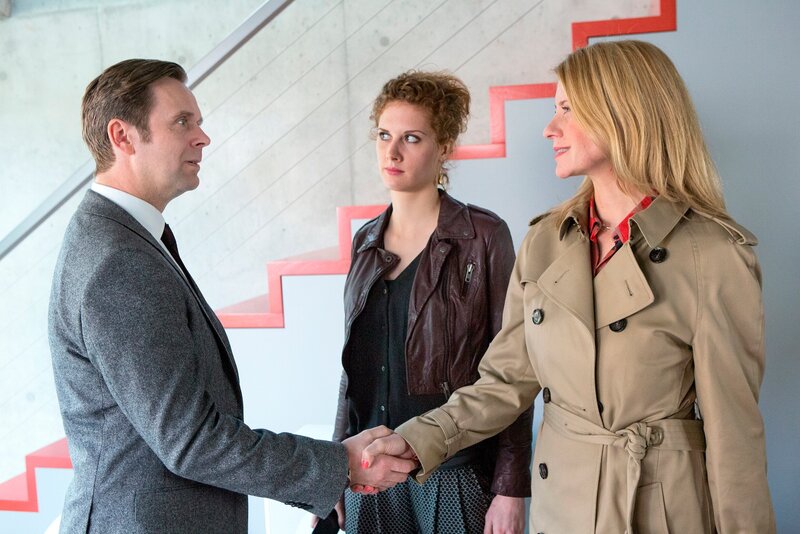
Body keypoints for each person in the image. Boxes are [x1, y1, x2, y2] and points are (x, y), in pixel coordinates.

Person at [363, 40, 775, 533]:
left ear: (622, 114)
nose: (549, 128)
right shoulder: (547, 241)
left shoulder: (713, 255)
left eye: (566, 109)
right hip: (562, 507)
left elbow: (735, 440)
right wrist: (417, 440)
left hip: (656, 511)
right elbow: (506, 382)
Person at [48, 59, 416, 533]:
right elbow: (191, 440)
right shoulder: (118, 260)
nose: (202, 137)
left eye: (198, 122)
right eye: (182, 122)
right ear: (123, 136)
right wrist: (338, 465)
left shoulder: (123, 239)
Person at [319, 71, 533, 533]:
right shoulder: (366, 242)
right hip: (370, 472)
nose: (392, 152)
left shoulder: (482, 236)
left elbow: (515, 365)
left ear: (444, 146)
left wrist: (511, 487)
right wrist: (333, 468)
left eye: (411, 138)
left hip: (454, 470)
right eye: (384, 135)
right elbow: (351, 372)